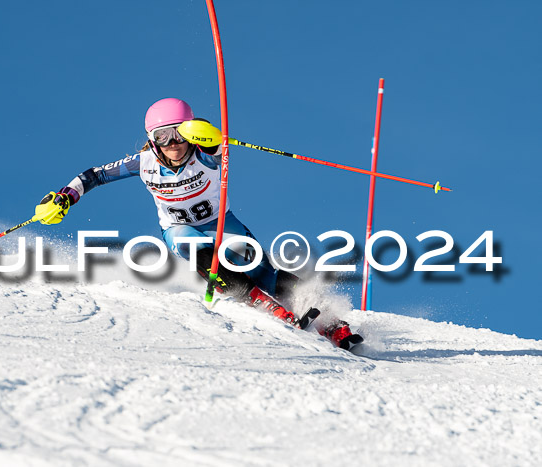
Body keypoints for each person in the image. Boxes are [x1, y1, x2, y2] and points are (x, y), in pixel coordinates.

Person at [35, 97, 363, 350]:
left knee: (258, 265)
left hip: (221, 220)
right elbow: (94, 175)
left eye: (179, 133)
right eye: (162, 136)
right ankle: (258, 301)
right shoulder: (144, 162)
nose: (173, 143)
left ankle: (326, 317)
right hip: (179, 229)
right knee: (197, 250)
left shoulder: (205, 154)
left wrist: (208, 134)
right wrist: (66, 196)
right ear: (151, 140)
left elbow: (215, 145)